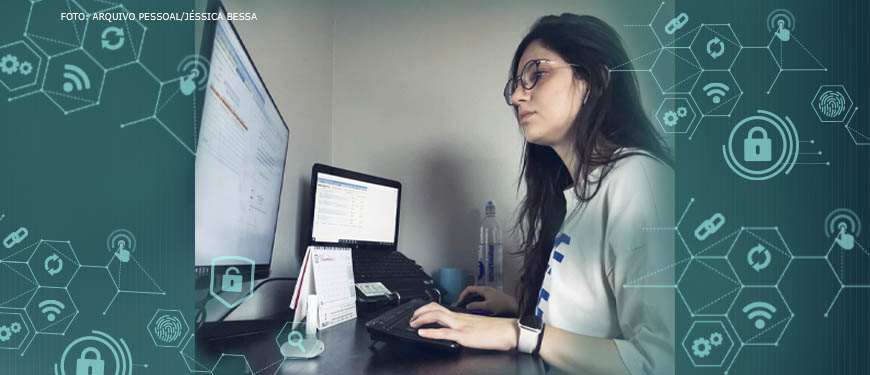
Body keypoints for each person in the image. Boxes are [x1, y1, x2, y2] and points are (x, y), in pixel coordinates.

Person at [409, 13, 675, 374]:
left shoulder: (638, 180)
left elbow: (662, 361)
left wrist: (518, 332)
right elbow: (592, 323)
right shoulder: (577, 195)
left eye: (537, 74)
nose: (517, 96)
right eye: (516, 84)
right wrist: (516, 307)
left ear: (594, 80)